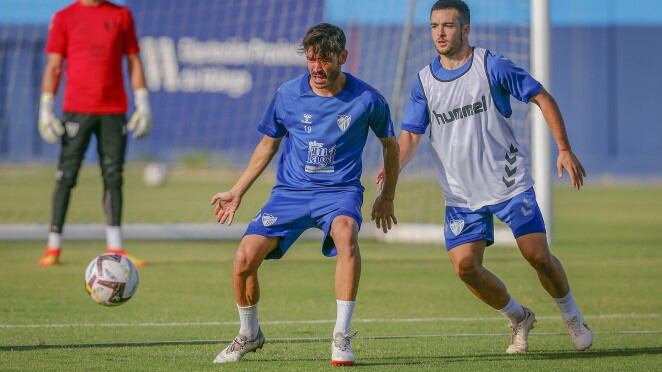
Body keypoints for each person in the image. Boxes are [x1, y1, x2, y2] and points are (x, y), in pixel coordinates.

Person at [377, 0, 592, 354]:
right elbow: (412, 136)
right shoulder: (424, 82)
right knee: (465, 268)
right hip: (461, 195)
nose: (440, 33)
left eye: (448, 25)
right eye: (434, 26)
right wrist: (393, 164)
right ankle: (519, 317)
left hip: (508, 183)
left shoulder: (491, 65)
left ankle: (571, 314)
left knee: (537, 255)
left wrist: (564, 148)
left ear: (466, 29)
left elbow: (541, 95)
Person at [210, 23, 399, 365]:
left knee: (346, 233)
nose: (317, 68)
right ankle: (249, 333)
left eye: (325, 60)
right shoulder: (287, 95)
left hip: (339, 193)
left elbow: (390, 145)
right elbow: (268, 145)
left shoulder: (368, 99)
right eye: (311, 59)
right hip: (290, 194)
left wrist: (386, 196)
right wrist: (237, 191)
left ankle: (341, 335)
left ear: (343, 56)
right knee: (243, 260)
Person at [37, 0, 151, 268]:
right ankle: (53, 247)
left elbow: (133, 60)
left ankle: (116, 246)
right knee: (66, 174)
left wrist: (143, 102)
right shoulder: (64, 17)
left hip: (113, 111)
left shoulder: (121, 15)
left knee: (113, 175)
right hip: (76, 110)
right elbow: (54, 65)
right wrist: (45, 108)